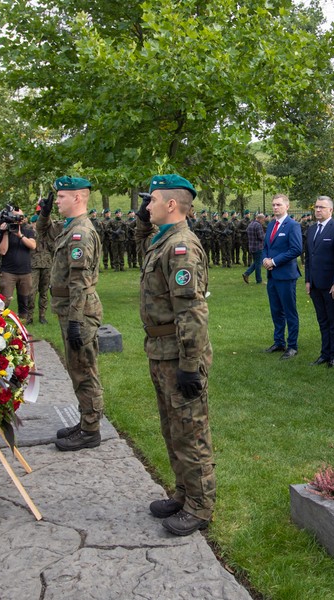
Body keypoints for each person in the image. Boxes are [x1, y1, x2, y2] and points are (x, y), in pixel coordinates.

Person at [134, 174, 216, 537]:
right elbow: (142, 244)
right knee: (173, 428)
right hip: (161, 350)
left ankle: (201, 506)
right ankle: (184, 493)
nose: (146, 206)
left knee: (191, 430)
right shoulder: (162, 240)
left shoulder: (181, 247)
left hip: (179, 355)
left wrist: (189, 365)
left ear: (170, 204)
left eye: (151, 200)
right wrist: (142, 219)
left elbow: (192, 312)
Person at [38, 177, 105, 451]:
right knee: (77, 369)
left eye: (62, 196)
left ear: (79, 197)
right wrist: (43, 214)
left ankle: (91, 431)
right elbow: (42, 233)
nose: (58, 202)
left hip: (79, 312)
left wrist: (76, 322)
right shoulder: (69, 229)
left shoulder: (81, 234)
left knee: (85, 370)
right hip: (68, 311)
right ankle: (86, 421)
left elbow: (80, 281)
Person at [305, 196, 334, 367]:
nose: (318, 210)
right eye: (316, 207)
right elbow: (308, 257)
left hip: (330, 285)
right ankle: (325, 352)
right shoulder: (312, 229)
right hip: (315, 284)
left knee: (333, 320)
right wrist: (308, 280)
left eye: (321, 207)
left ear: (330, 210)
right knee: (322, 320)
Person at [263, 194, 303, 359]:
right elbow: (266, 245)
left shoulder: (292, 225)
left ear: (287, 206)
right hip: (272, 275)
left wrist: (274, 261)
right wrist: (265, 258)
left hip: (286, 275)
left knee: (289, 311)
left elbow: (296, 249)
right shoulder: (271, 224)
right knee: (276, 310)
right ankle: (279, 341)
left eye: (278, 204)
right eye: (273, 205)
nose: (275, 207)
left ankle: (292, 345)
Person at [0, 205, 36, 322]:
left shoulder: (28, 231)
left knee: (24, 300)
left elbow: (33, 245)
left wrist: (20, 235)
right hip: (9, 272)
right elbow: (2, 251)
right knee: (5, 300)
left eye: (20, 217)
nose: (18, 219)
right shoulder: (3, 231)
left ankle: (22, 324)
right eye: (15, 216)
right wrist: (6, 233)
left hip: (25, 272)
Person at [30, 200, 54, 324]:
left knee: (44, 292)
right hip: (33, 265)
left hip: (46, 264)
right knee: (31, 292)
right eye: (34, 222)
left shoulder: (47, 233)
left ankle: (42, 315)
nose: (35, 224)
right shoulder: (29, 234)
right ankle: (29, 316)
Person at [242, 212, 266, 284]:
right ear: (260, 219)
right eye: (263, 220)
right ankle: (259, 280)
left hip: (251, 246)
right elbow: (261, 237)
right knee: (258, 264)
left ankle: (246, 274)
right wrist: (266, 235)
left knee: (256, 262)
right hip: (258, 246)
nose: (263, 222)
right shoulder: (258, 226)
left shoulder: (250, 224)